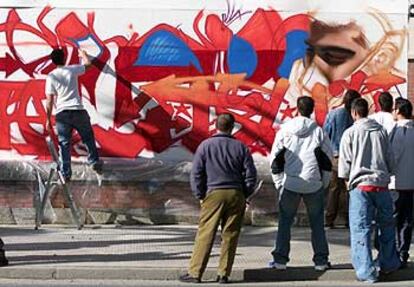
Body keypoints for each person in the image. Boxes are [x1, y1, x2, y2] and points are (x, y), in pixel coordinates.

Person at [179, 113, 257, 284]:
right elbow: (251, 175)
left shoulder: (205, 146)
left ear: (216, 125)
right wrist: (245, 194)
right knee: (230, 234)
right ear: (232, 127)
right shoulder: (241, 147)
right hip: (236, 193)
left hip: (213, 193)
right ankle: (224, 274)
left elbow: (197, 173)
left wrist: (200, 195)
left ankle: (195, 273)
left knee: (205, 233)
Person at [339, 98, 400, 283]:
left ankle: (366, 271)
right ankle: (388, 263)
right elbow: (390, 159)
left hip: (360, 187)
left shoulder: (349, 133)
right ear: (368, 110)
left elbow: (345, 166)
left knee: (361, 229)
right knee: (387, 227)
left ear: (354, 112)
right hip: (381, 185)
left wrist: (348, 183)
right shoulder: (381, 132)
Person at [269, 96, 333, 271]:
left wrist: (279, 183)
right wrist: (323, 183)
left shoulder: (284, 130)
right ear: (312, 110)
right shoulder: (319, 132)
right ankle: (320, 261)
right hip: (314, 183)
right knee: (317, 223)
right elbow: (327, 161)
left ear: (297, 108)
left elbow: (275, 160)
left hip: (290, 183)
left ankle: (280, 260)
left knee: (284, 223)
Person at [45, 48, 102, 181]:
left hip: (62, 114)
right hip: (77, 110)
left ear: (53, 61)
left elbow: (49, 100)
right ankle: (94, 162)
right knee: (87, 137)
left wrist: (48, 119)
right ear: (64, 58)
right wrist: (83, 54)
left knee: (64, 144)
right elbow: (88, 65)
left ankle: (66, 174)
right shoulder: (71, 70)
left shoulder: (51, 76)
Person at [323, 89, 361, 228]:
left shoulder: (333, 114)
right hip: (351, 157)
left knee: (334, 189)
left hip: (335, 156)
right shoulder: (355, 118)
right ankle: (348, 219)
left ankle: (329, 219)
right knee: (348, 189)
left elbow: (325, 133)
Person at [390, 98, 414, 268]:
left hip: (396, 183)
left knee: (393, 221)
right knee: (407, 221)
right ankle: (403, 252)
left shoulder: (398, 131)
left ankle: (393, 254)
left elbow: (393, 157)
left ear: (398, 111)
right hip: (411, 184)